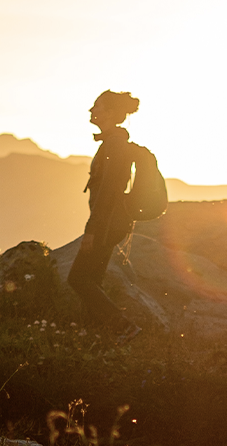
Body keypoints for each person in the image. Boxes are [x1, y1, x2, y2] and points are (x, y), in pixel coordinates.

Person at [66, 90, 144, 344]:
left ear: (110, 113)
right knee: (92, 279)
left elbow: (108, 192)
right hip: (111, 222)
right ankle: (97, 334)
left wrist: (92, 230)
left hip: (107, 224)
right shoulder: (113, 142)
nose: (91, 111)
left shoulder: (114, 144)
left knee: (77, 278)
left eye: (96, 107)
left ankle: (124, 327)